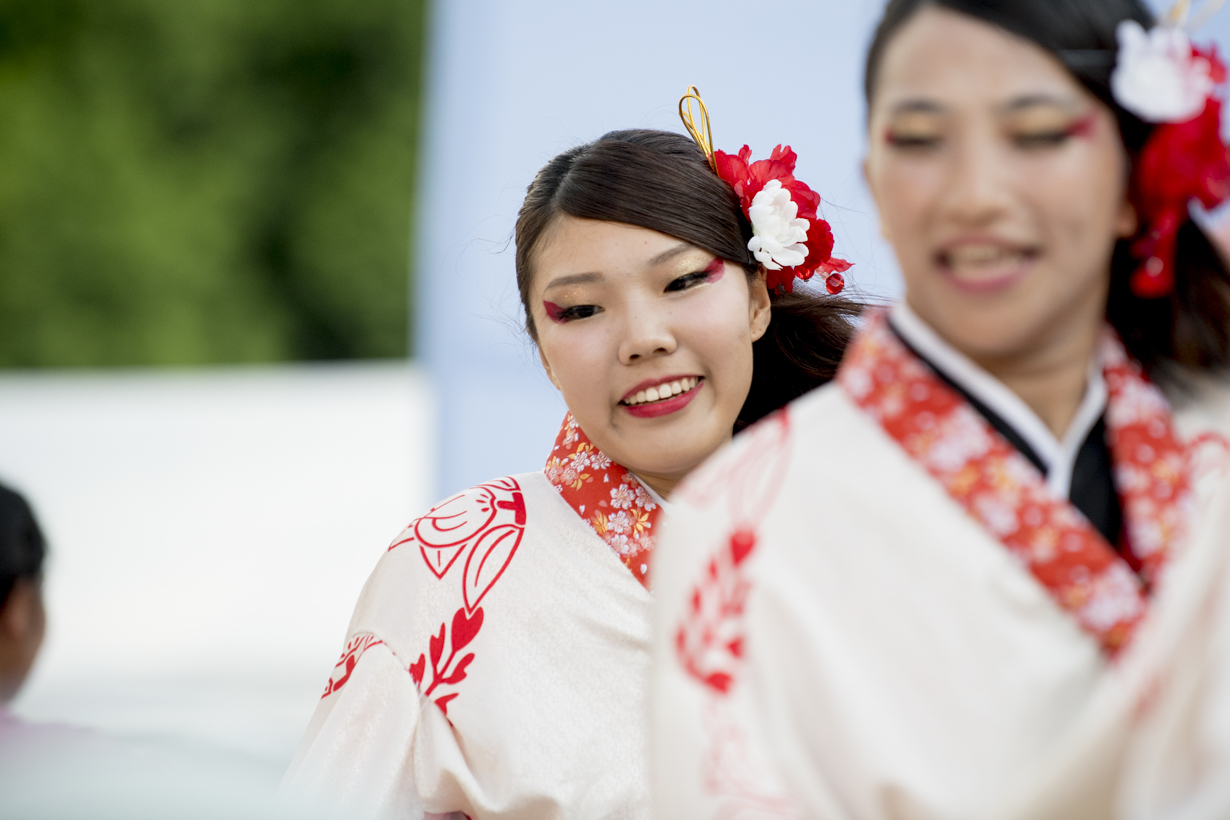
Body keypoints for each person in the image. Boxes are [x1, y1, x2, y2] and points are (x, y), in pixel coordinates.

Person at [650, 2, 1230, 818]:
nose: (976, 194)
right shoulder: (744, 519)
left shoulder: (1214, 447)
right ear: (874, 186)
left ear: (1134, 186)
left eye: (1036, 133)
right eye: (920, 140)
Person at [281, 110, 860, 818]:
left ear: (756, 299)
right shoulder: (448, 573)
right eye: (583, 310)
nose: (644, 339)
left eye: (681, 283)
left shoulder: (875, 541)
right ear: (543, 351)